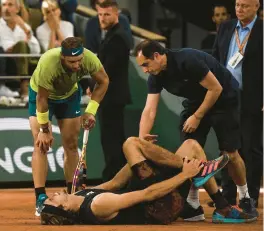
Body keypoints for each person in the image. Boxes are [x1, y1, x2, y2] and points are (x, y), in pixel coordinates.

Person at [132, 39, 258, 218]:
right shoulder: (155, 76)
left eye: (146, 64)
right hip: (195, 102)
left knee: (230, 153)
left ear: (157, 56)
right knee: (189, 153)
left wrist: (197, 117)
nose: (145, 70)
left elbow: (215, 88)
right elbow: (149, 110)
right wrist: (142, 140)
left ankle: (245, 197)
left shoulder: (187, 60)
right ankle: (193, 203)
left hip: (224, 99)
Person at [39, 137, 257, 225]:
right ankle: (220, 206)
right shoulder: (98, 205)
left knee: (191, 145)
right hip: (161, 206)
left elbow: (115, 183)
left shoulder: (79, 196)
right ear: (63, 209)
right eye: (52, 200)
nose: (52, 194)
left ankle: (216, 207)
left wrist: (144, 155)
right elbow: (147, 195)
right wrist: (185, 174)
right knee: (132, 143)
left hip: (150, 193)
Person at [28, 37, 109, 216]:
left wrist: (90, 111)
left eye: (79, 60)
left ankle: (74, 194)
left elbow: (103, 81)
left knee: (71, 145)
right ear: (62, 57)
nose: (77, 65)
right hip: (42, 97)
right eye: (72, 61)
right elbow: (42, 99)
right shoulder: (49, 63)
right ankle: (40, 198)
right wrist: (44, 130)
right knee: (41, 144)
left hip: (70, 96)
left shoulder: (88, 58)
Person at [212, 0, 263, 208]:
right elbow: (216, 58)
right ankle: (228, 193)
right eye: (237, 5)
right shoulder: (226, 27)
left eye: (245, 6)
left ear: (257, 7)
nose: (240, 9)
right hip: (225, 96)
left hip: (253, 98)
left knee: (250, 148)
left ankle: (249, 197)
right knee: (227, 147)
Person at [96, 0, 131, 181]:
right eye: (100, 14)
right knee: (112, 139)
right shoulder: (112, 35)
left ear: (116, 14)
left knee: (112, 141)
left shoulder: (117, 37)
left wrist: (94, 87)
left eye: (107, 14)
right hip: (110, 97)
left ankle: (112, 179)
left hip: (111, 98)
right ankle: (116, 178)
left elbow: (106, 71)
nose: (102, 18)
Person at [0, 0, 41, 98]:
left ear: (17, 9)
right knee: (21, 45)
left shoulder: (24, 26)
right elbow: (5, 47)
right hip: (4, 61)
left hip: (21, 60)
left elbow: (37, 50)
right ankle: (24, 87)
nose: (6, 8)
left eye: (10, 5)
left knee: (23, 45)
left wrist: (25, 30)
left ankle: (25, 86)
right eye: (4, 5)